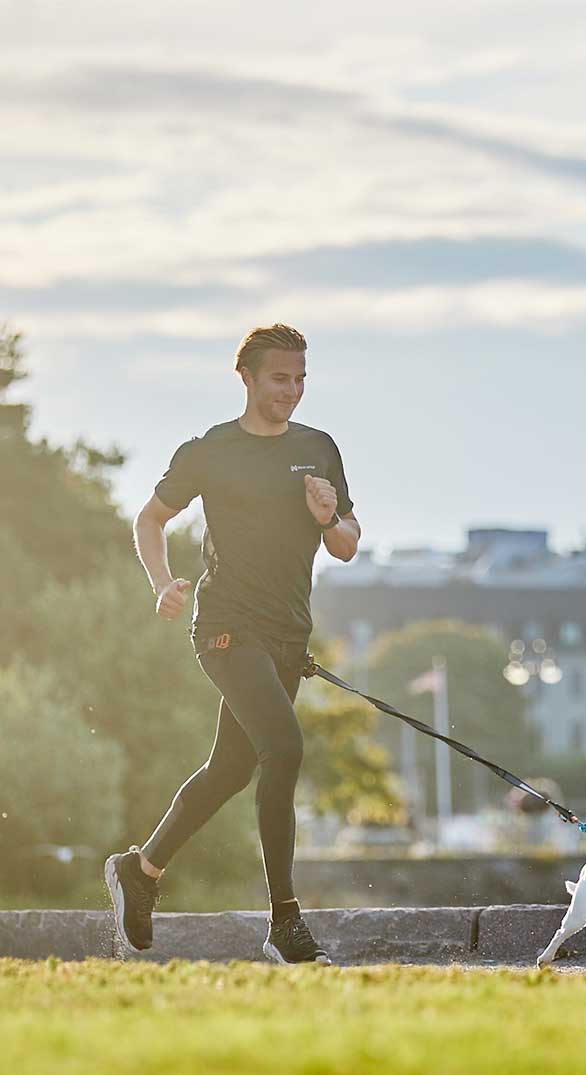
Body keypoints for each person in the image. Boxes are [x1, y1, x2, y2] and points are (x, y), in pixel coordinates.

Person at [104, 323, 360, 964]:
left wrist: (330, 515)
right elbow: (150, 519)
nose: (292, 391)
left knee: (232, 768)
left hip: (286, 635)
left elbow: (347, 544)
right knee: (284, 747)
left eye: (301, 379)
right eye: (280, 378)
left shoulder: (318, 448)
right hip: (225, 627)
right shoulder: (212, 450)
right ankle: (284, 921)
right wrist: (162, 583)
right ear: (245, 377)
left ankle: (142, 870)